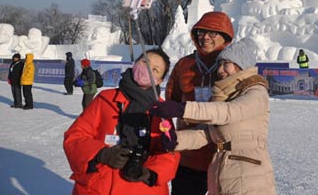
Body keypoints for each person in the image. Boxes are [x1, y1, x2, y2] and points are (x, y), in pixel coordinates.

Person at [153, 38, 276, 195]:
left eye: (226, 64)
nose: (220, 69)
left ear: (240, 66)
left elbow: (228, 112)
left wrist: (183, 109)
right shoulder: (225, 96)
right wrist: (176, 140)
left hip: (249, 174)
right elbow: (206, 133)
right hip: (222, 170)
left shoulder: (256, 92)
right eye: (219, 64)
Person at [63, 48, 180, 195]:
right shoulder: (106, 99)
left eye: (155, 70)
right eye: (145, 63)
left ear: (160, 80)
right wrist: (101, 153)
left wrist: (149, 172)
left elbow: (170, 151)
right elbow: (75, 137)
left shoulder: (161, 111)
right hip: (100, 186)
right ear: (135, 63)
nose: (148, 70)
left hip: (142, 189)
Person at [165, 11, 234, 195]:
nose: (205, 38)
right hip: (189, 156)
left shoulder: (232, 66)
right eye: (201, 33)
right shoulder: (184, 65)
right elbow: (171, 101)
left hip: (222, 155)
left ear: (225, 37)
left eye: (212, 33)